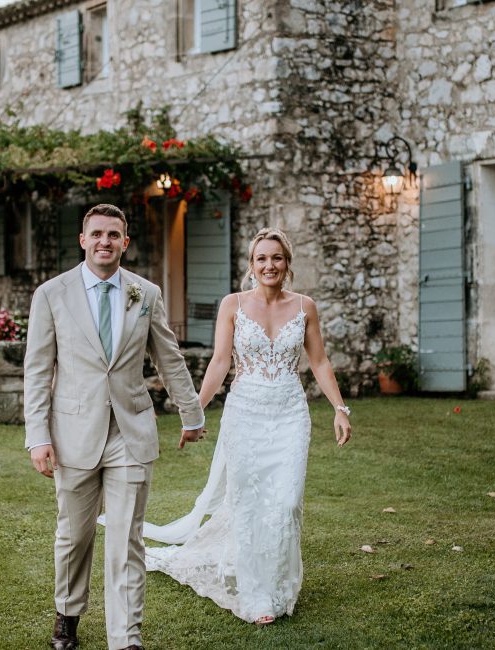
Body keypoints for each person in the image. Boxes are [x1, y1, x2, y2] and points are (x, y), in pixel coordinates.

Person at [141, 227, 352, 625]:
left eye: (276, 258)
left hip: (290, 414)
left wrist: (340, 408)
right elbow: (221, 362)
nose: (269, 265)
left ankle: (277, 579)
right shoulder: (232, 305)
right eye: (261, 259)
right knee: (248, 505)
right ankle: (257, 595)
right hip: (245, 415)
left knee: (285, 503)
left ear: (287, 264)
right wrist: (195, 412)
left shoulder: (305, 306)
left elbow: (320, 362)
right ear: (251, 265)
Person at [24, 203, 206, 650]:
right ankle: (67, 614)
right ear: (83, 240)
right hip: (72, 434)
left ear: (125, 242)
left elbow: (168, 358)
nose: (105, 241)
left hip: (130, 431)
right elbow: (37, 369)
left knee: (127, 539)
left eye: (114, 234)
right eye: (97, 234)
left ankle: (126, 638)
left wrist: (192, 412)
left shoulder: (145, 293)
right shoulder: (51, 294)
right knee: (74, 535)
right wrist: (38, 436)